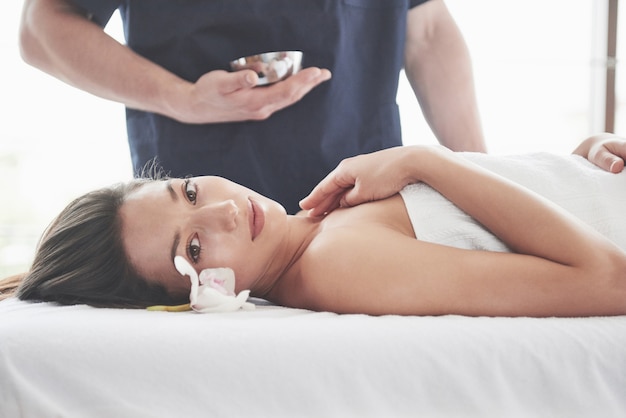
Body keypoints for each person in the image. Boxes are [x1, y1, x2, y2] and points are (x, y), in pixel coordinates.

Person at [1, 133, 625, 317]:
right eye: (192, 245)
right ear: (198, 295)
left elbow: (503, 219)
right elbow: (608, 282)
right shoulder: (335, 265)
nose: (219, 209)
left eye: (188, 190)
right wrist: (421, 159)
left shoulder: (321, 226)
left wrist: (576, 162)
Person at [18, 0, 486, 214]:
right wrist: (181, 99)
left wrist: (482, 182)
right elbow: (41, 27)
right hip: (206, 229)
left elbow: (425, 30)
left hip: (363, 209)